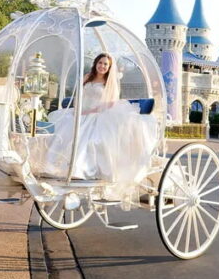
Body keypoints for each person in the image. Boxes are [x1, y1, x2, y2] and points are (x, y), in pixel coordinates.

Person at [44, 53, 157, 199]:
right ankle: (52, 165)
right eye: (100, 63)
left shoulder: (109, 81)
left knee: (86, 137)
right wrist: (79, 110)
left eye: (105, 64)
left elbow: (111, 103)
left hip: (98, 112)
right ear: (96, 64)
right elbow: (79, 96)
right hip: (81, 111)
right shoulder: (87, 77)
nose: (102, 66)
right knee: (62, 124)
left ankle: (78, 170)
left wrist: (92, 111)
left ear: (109, 68)